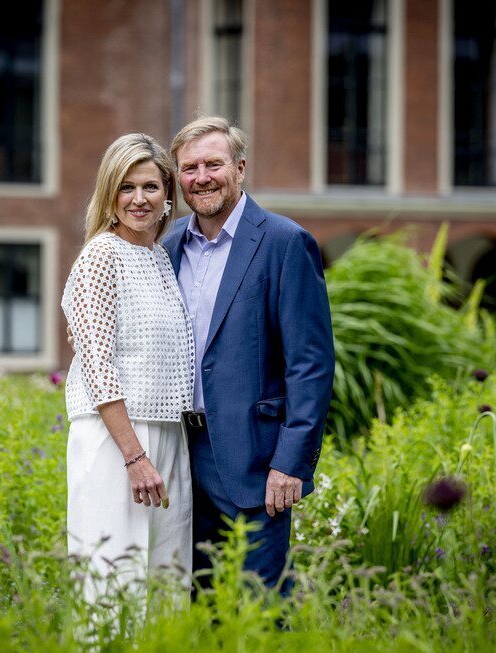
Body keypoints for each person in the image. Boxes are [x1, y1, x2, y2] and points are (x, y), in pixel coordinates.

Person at [161, 116, 334, 590]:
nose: (201, 178)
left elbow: (310, 365)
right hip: (177, 452)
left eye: (213, 164)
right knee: (199, 603)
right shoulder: (168, 243)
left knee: (263, 607)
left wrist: (291, 462)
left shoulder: (284, 242)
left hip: (256, 462)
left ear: (239, 168)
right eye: (190, 168)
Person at [62, 133, 195, 602]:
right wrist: (135, 457)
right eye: (126, 187)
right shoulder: (100, 257)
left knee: (165, 582)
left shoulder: (159, 257)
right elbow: (98, 367)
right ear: (109, 194)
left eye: (151, 187)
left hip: (167, 437)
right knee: (113, 585)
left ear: (167, 196)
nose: (139, 199)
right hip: (117, 441)